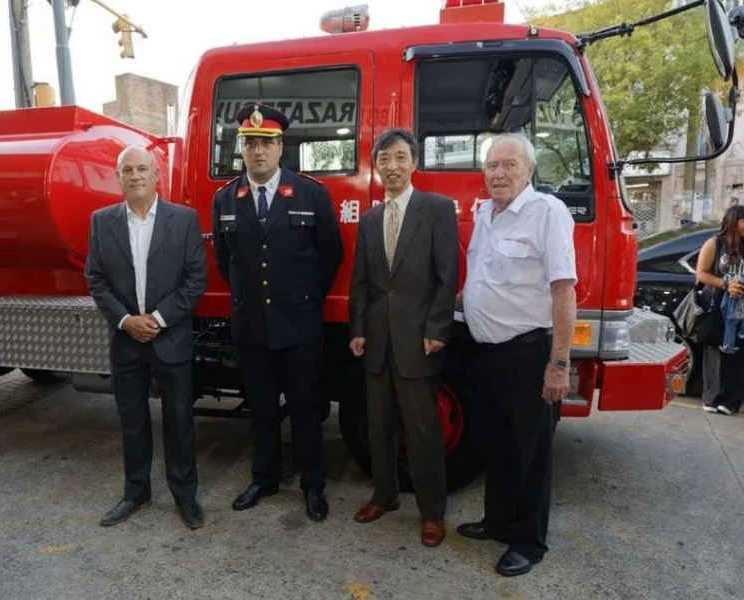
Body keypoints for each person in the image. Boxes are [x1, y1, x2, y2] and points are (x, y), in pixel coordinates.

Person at [213, 104, 343, 522]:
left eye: (266, 143)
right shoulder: (225, 198)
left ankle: (313, 485)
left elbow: (330, 254)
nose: (258, 151)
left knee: (306, 410)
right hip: (252, 326)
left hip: (299, 326)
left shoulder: (310, 194)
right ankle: (264, 478)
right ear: (242, 149)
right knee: (262, 409)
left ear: (280, 146)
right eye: (250, 143)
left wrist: (303, 299)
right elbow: (225, 260)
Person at [456, 133, 577, 577]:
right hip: (486, 354)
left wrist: (558, 364)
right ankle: (497, 522)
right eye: (492, 166)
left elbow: (563, 290)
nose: (499, 173)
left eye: (510, 165)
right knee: (497, 445)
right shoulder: (485, 213)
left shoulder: (547, 212)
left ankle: (529, 542)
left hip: (528, 354)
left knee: (531, 452)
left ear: (529, 170)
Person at [85, 146, 208, 530]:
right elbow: (95, 279)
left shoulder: (183, 220)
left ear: (157, 175)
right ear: (119, 177)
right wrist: (126, 321)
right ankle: (135, 492)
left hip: (170, 339)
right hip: (126, 341)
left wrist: (156, 319)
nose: (136, 175)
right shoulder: (102, 222)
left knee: (179, 422)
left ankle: (185, 497)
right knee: (132, 422)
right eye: (128, 170)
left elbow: (195, 279)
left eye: (142, 169)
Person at [348, 128, 458, 547]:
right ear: (376, 166)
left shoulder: (437, 209)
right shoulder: (371, 219)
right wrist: (358, 329)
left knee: (423, 429)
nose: (391, 166)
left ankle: (432, 513)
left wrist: (438, 328)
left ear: (413, 163)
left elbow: (447, 275)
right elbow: (361, 282)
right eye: (384, 159)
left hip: (418, 340)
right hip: (377, 339)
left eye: (399, 158)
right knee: (378, 425)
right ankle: (384, 495)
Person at [695, 204, 744, 415]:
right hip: (717, 304)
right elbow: (701, 273)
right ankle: (712, 398)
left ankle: (731, 401)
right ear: (733, 223)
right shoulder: (715, 243)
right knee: (715, 350)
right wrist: (726, 284)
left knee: (740, 351)